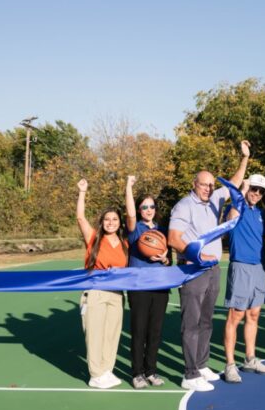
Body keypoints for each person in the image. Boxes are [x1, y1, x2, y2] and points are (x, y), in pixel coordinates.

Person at [168, 140, 250, 392]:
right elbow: (173, 239)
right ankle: (190, 374)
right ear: (194, 184)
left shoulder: (215, 198)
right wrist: (195, 256)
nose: (208, 188)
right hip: (193, 270)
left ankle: (202, 364)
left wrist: (244, 158)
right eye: (203, 184)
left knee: (206, 321)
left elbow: (234, 184)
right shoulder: (184, 205)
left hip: (213, 270)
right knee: (191, 323)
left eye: (211, 185)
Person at [76, 178, 128, 389]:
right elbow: (80, 218)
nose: (110, 222)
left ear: (119, 222)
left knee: (112, 334)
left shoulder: (124, 243)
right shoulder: (94, 237)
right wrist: (82, 192)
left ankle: (107, 370)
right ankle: (95, 374)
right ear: (102, 222)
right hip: (96, 292)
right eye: (107, 219)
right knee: (95, 334)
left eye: (114, 219)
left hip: (116, 293)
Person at [222, 173, 265, 383]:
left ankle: (250, 358)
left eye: (261, 191)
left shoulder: (261, 213)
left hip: (259, 268)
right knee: (236, 316)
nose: (257, 194)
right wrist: (241, 192)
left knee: (253, 315)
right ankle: (230, 364)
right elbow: (231, 219)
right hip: (241, 266)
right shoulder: (235, 208)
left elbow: (264, 245)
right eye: (254, 189)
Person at [125, 176, 171, 389]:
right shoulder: (135, 230)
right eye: (144, 207)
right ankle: (137, 373)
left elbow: (168, 257)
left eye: (152, 206)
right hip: (139, 286)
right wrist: (129, 186)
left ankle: (151, 370)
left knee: (155, 331)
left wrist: (165, 259)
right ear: (139, 209)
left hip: (160, 286)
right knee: (139, 330)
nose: (149, 209)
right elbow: (130, 214)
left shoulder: (162, 230)